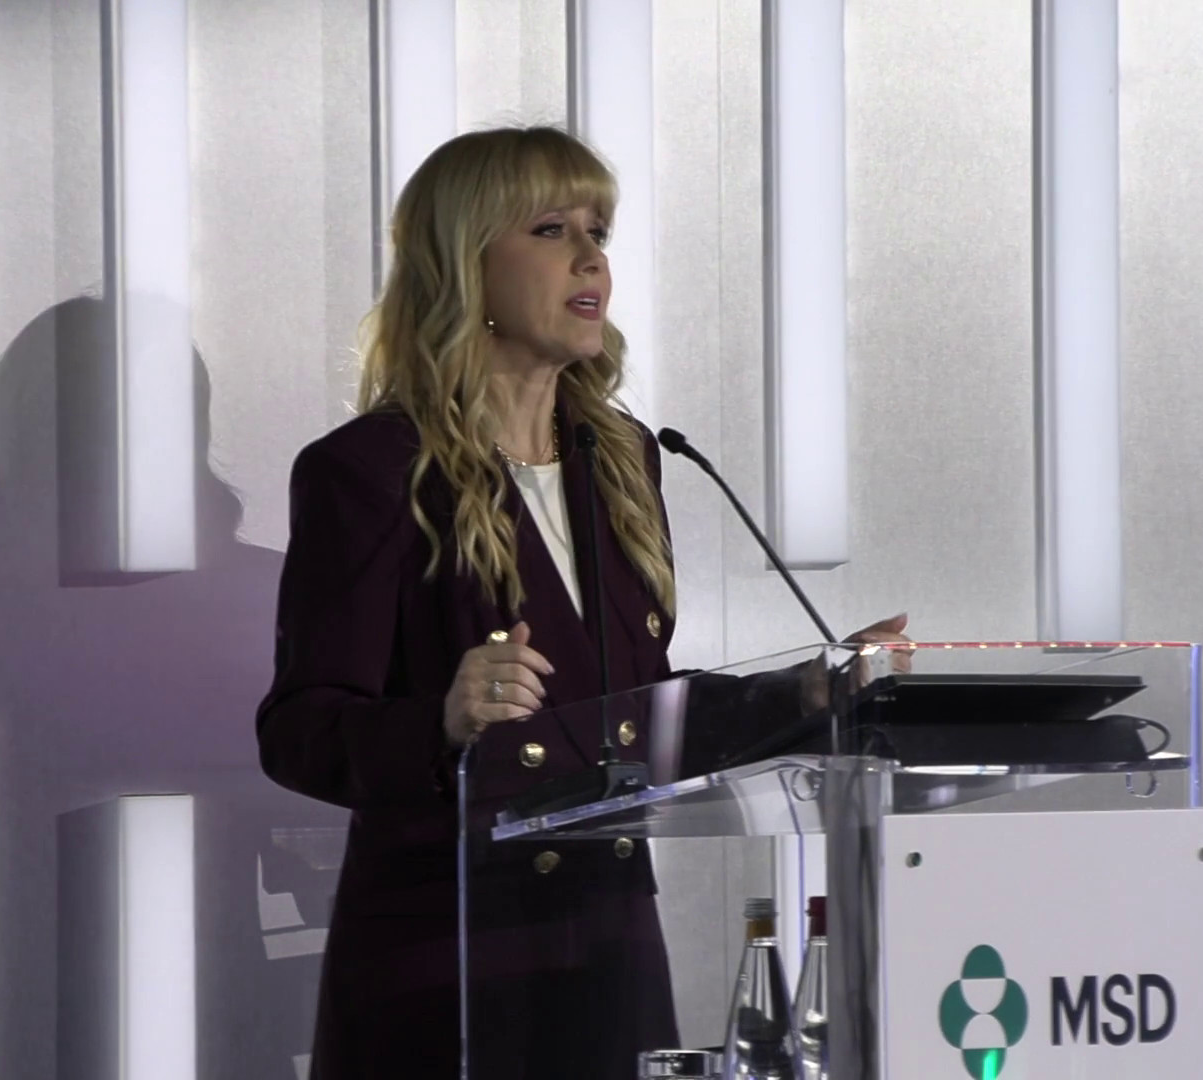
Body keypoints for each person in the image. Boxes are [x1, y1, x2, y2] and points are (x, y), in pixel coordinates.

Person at [254, 126, 908, 1079]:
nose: (591, 257)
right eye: (551, 229)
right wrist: (440, 722)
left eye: (598, 231)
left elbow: (639, 716)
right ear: (464, 262)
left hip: (607, 948)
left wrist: (808, 691)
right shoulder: (370, 469)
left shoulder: (624, 459)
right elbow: (299, 728)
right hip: (449, 962)